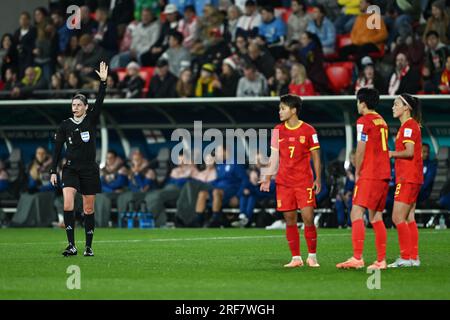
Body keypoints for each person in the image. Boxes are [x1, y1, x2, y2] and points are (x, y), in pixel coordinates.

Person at [50, 61, 108, 257]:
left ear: (85, 107)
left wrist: (103, 82)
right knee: (68, 204)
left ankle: (89, 247)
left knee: (88, 207)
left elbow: (100, 101)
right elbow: (57, 148)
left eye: (78, 105)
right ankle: (71, 245)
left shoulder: (91, 120)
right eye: (73, 105)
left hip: (89, 169)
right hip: (71, 169)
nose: (74, 107)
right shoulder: (64, 125)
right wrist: (52, 170)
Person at [260, 94, 322, 268]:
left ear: (293, 110)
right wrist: (267, 177)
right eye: (279, 108)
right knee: (289, 219)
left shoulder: (309, 130)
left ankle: (312, 256)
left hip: (304, 181)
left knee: (308, 218)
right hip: (284, 182)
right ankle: (296, 258)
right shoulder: (277, 131)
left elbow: (316, 156)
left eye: (283, 108)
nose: (279, 112)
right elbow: (273, 158)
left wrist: (318, 178)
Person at [336, 88, 391, 270]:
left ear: (363, 103)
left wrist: (358, 170)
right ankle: (381, 260)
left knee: (356, 213)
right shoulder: (381, 121)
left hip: (370, 173)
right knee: (376, 217)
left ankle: (357, 257)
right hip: (383, 173)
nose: (357, 105)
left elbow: (361, 148)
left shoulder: (363, 121)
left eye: (358, 101)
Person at [387, 94, 423, 268]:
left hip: (408, 177)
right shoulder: (408, 126)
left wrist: (391, 154)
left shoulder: (409, 126)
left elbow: (409, 152)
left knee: (397, 217)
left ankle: (406, 257)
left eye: (396, 104)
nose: (393, 107)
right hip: (412, 177)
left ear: (406, 107)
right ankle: (413, 257)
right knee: (409, 217)